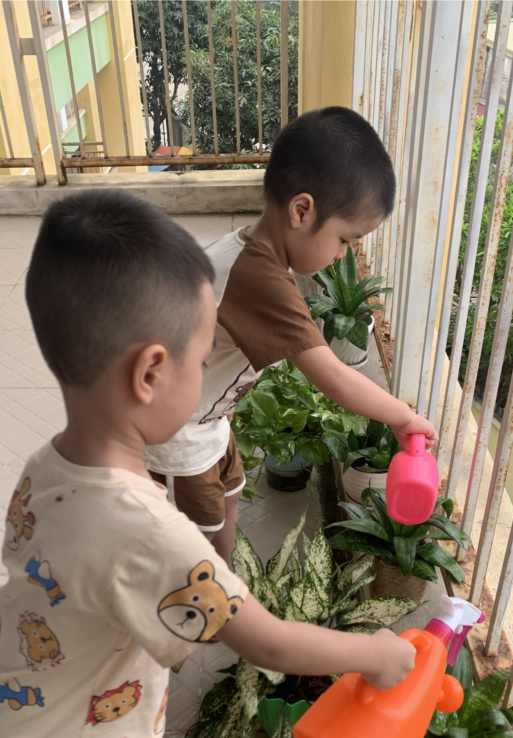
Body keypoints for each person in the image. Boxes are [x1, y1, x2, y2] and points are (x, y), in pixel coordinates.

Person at [0, 192, 417, 738]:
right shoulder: (150, 535)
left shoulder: (51, 461)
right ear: (151, 371)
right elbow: (266, 640)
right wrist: (375, 654)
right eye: (203, 354)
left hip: (52, 697)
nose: (208, 371)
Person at [145, 106, 438, 567]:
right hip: (179, 433)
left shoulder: (250, 251)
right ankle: (207, 593)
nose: (343, 255)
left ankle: (225, 577)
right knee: (195, 545)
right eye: (345, 239)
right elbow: (332, 376)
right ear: (301, 210)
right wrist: (403, 418)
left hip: (209, 418)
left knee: (229, 499)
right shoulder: (257, 278)